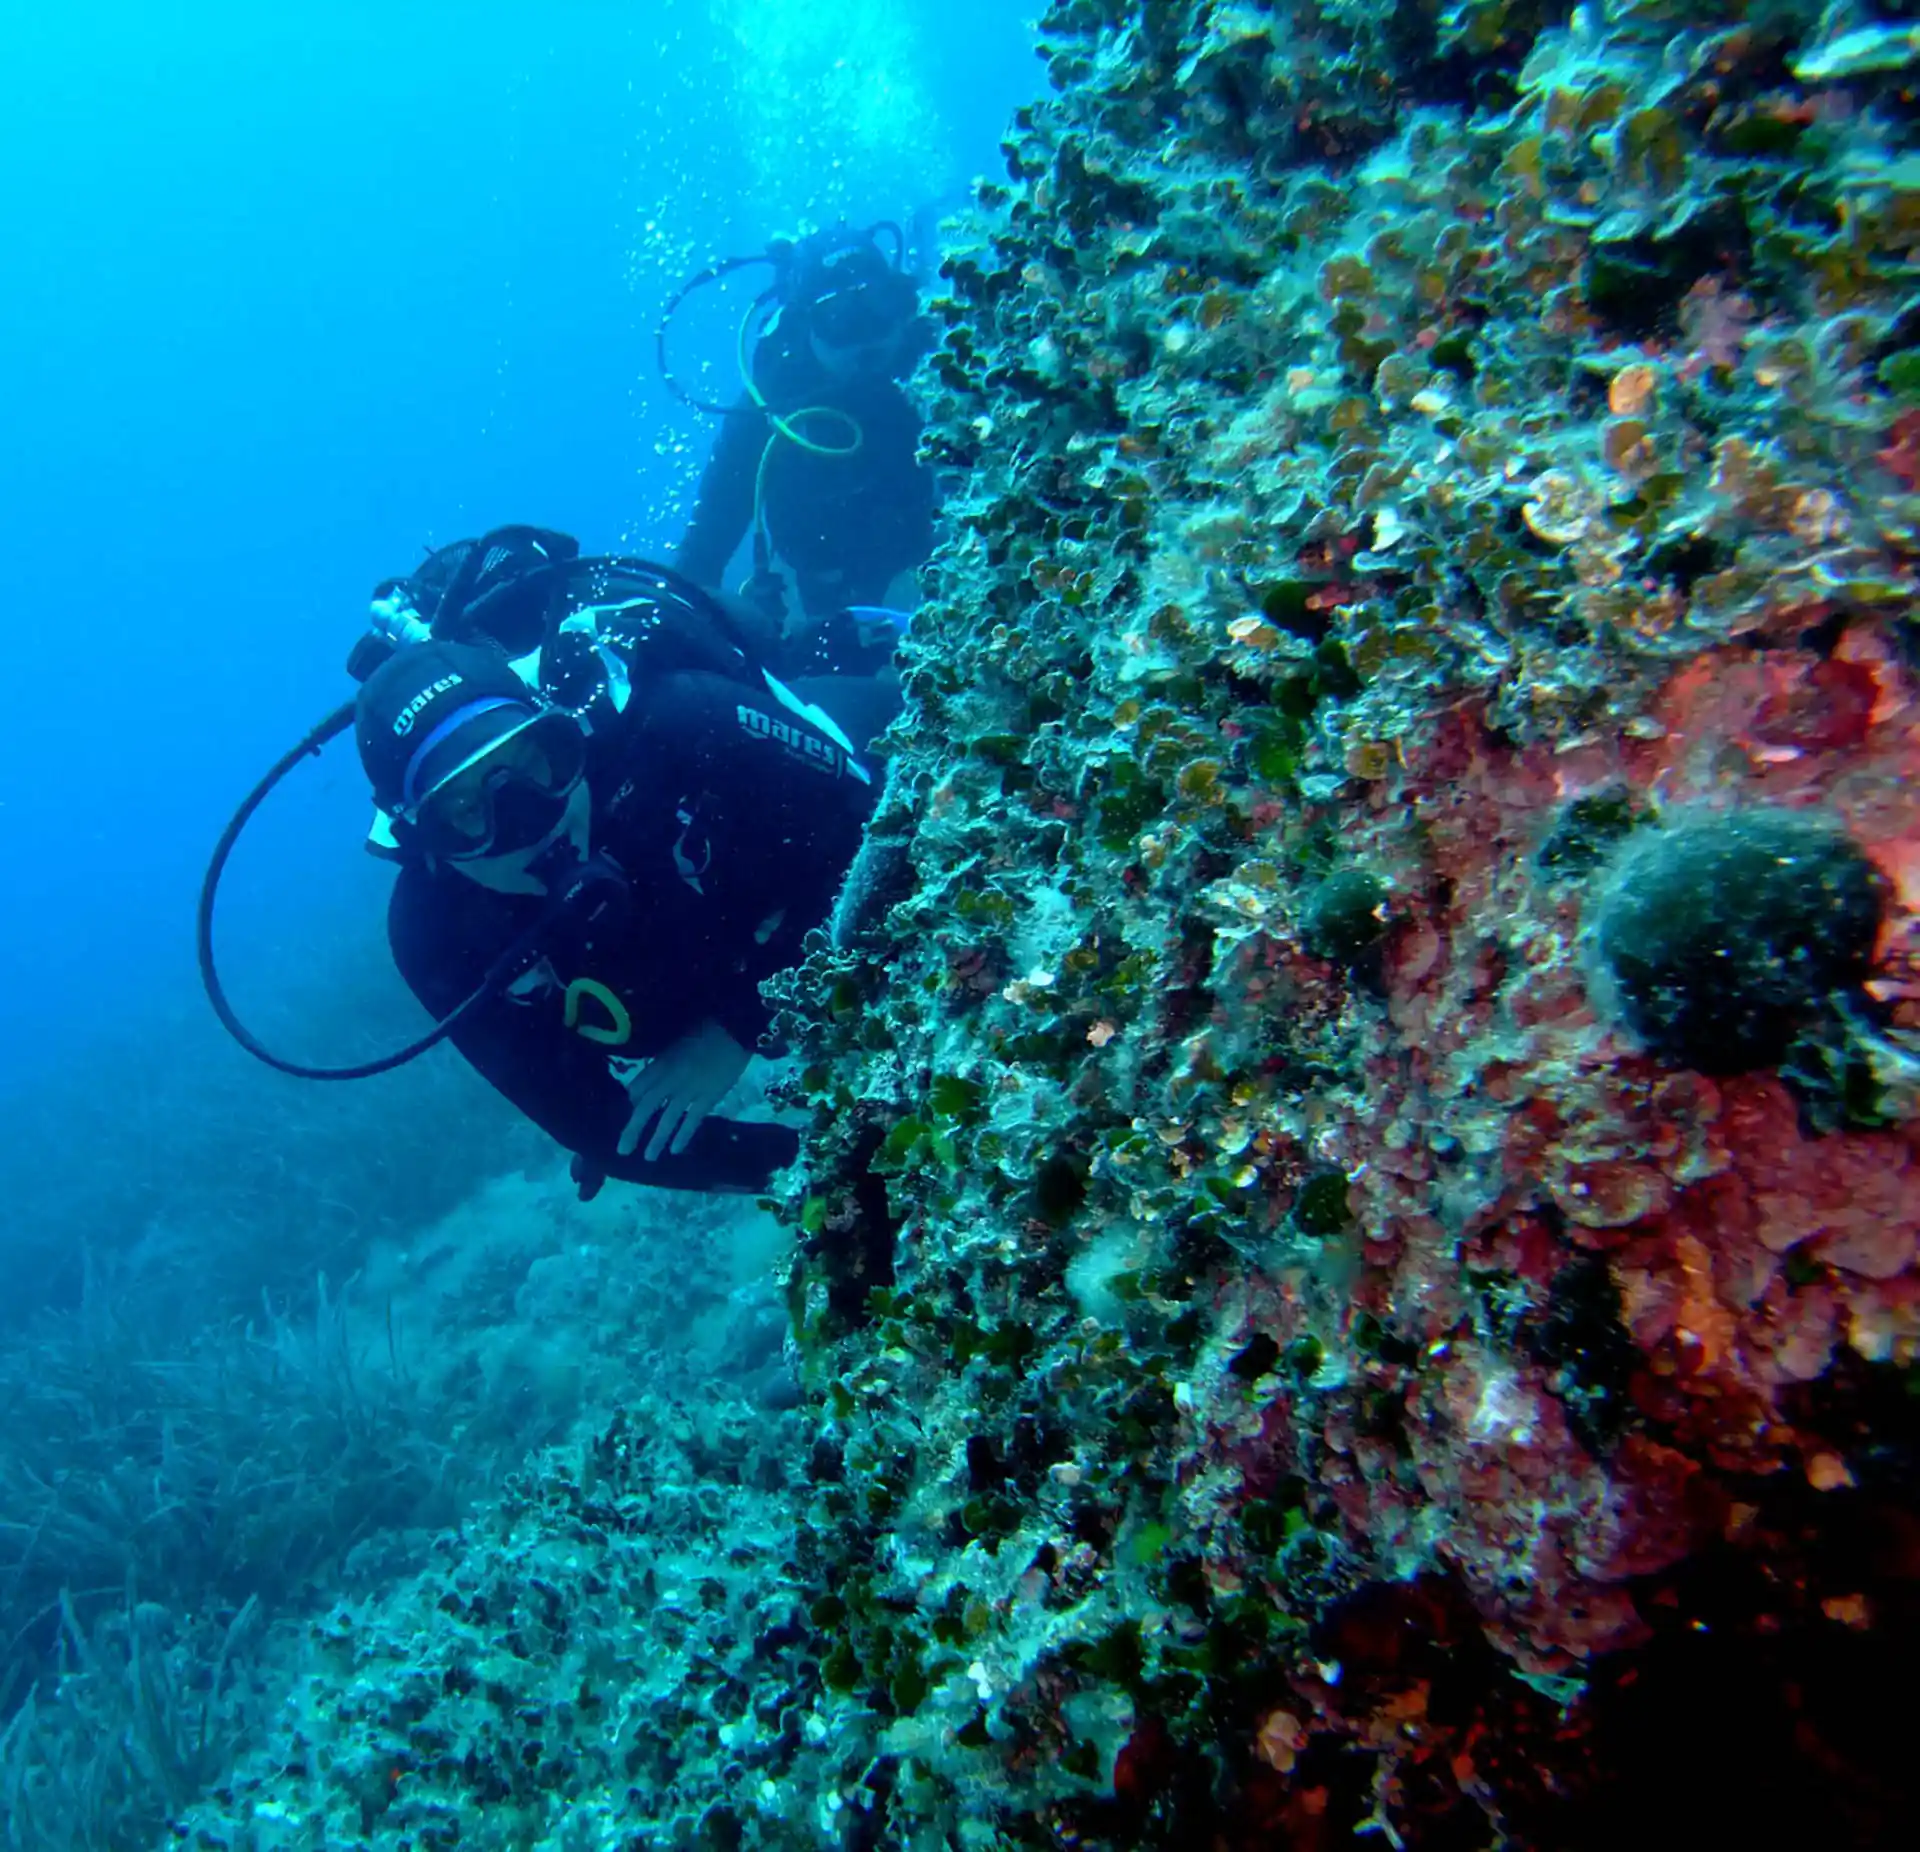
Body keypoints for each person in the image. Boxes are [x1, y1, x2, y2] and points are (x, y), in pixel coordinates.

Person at [350, 533, 899, 1196]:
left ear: (565, 732)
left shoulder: (677, 723)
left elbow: (877, 826)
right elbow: (595, 1125)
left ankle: (820, 640)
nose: (531, 818)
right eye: (465, 808)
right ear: (424, 843)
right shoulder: (435, 932)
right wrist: (833, 1173)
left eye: (536, 762)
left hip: (792, 806)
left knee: (905, 718)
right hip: (733, 952)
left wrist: (740, 1022)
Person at [673, 226, 936, 670]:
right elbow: (703, 552)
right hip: (831, 588)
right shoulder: (767, 412)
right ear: (804, 326)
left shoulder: (945, 367)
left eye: (881, 307)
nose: (868, 338)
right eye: (842, 320)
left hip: (939, 560)